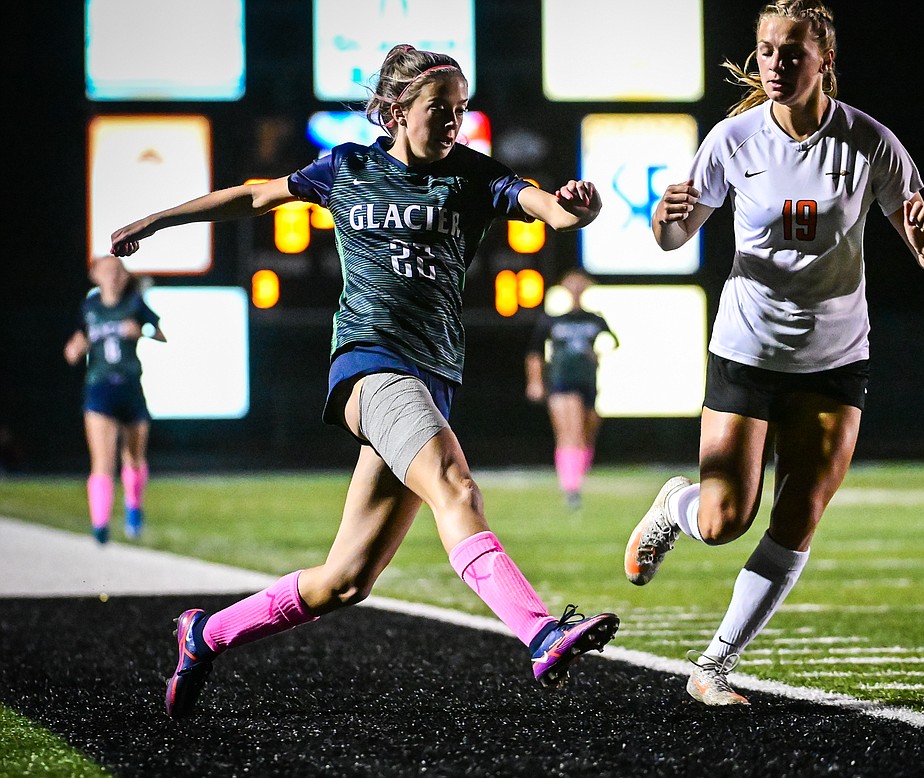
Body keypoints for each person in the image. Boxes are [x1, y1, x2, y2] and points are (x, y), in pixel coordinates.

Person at [110, 44, 619, 719]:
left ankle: (205, 634)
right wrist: (156, 220)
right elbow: (255, 196)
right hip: (371, 365)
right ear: (398, 111)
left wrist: (577, 206)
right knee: (455, 485)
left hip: (429, 380)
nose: (453, 123)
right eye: (440, 109)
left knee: (345, 581)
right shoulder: (348, 167)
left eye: (461, 111)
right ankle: (540, 632)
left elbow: (548, 210)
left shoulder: (472, 175)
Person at [622, 0, 924, 706]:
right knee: (722, 522)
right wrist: (664, 221)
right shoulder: (734, 140)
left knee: (799, 513)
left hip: (835, 360)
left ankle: (713, 666)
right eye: (768, 49)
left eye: (793, 51)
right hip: (746, 349)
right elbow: (675, 238)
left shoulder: (869, 142)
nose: (776, 63)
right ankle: (675, 507)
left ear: (825, 59)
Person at [63, 256, 166, 544]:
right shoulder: (90, 308)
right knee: (102, 461)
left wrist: (142, 331)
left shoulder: (134, 304)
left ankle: (134, 507)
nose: (114, 276)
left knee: (133, 458)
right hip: (99, 389)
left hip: (131, 387)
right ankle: (100, 526)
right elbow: (79, 342)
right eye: (107, 270)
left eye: (118, 270)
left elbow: (160, 334)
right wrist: (74, 348)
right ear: (96, 275)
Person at [525, 269, 618, 510]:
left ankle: (575, 477)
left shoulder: (594, 319)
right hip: (561, 381)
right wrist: (535, 382)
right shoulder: (552, 320)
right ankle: (571, 487)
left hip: (587, 381)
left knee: (587, 433)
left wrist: (599, 353)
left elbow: (612, 342)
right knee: (570, 432)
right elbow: (534, 352)